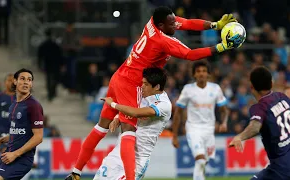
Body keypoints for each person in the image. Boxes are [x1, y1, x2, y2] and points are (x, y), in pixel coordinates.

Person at [66, 6, 242, 180]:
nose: (175, 26)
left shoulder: (155, 23)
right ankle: (129, 178)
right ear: (161, 25)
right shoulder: (163, 41)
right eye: (172, 25)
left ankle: (76, 171)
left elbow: (187, 23)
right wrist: (221, 47)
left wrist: (215, 25)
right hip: (132, 82)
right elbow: (190, 54)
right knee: (128, 130)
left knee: (100, 127)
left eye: (174, 22)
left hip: (119, 75)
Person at [94, 67, 171, 180]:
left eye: (145, 84)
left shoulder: (164, 104)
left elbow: (135, 113)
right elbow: (130, 107)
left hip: (138, 158)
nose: (142, 86)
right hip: (120, 150)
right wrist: (117, 118)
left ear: (157, 87)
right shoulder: (142, 96)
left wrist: (113, 104)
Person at [229, 66, 290, 180]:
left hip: (280, 170)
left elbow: (255, 127)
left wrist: (239, 137)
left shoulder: (259, 108)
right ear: (271, 83)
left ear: (251, 87)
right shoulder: (281, 97)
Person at [172, 61, 229, 180]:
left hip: (209, 130)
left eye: (204, 71)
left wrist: (224, 122)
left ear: (208, 74)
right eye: (198, 71)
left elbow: (224, 110)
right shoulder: (188, 89)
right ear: (194, 75)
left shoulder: (215, 89)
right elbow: (178, 112)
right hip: (193, 129)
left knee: (204, 162)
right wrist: (175, 135)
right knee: (201, 160)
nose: (201, 74)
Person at [0, 68, 44, 180]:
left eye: (29, 79)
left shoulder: (34, 105)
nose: (26, 82)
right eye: (22, 78)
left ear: (31, 84)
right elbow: (17, 133)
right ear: (15, 81)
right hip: (7, 156)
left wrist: (15, 154)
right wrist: (1, 140)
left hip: (21, 160)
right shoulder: (14, 105)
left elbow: (38, 137)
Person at [37, 29, 64, 102]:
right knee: (54, 78)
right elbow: (60, 55)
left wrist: (39, 65)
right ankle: (52, 92)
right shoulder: (55, 44)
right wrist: (62, 64)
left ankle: (50, 93)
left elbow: (40, 56)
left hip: (48, 64)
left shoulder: (44, 45)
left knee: (49, 79)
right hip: (55, 64)